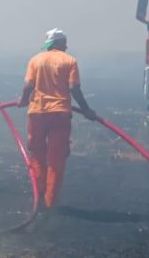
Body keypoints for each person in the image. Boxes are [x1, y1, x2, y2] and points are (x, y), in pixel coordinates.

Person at [17, 28, 97, 221]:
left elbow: (28, 85)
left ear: (48, 45)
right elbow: (73, 88)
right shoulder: (70, 61)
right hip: (60, 114)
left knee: (37, 155)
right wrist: (86, 109)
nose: (67, 46)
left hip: (37, 113)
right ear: (60, 44)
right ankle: (50, 202)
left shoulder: (35, 60)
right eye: (65, 43)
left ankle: (38, 199)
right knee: (56, 159)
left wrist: (23, 100)